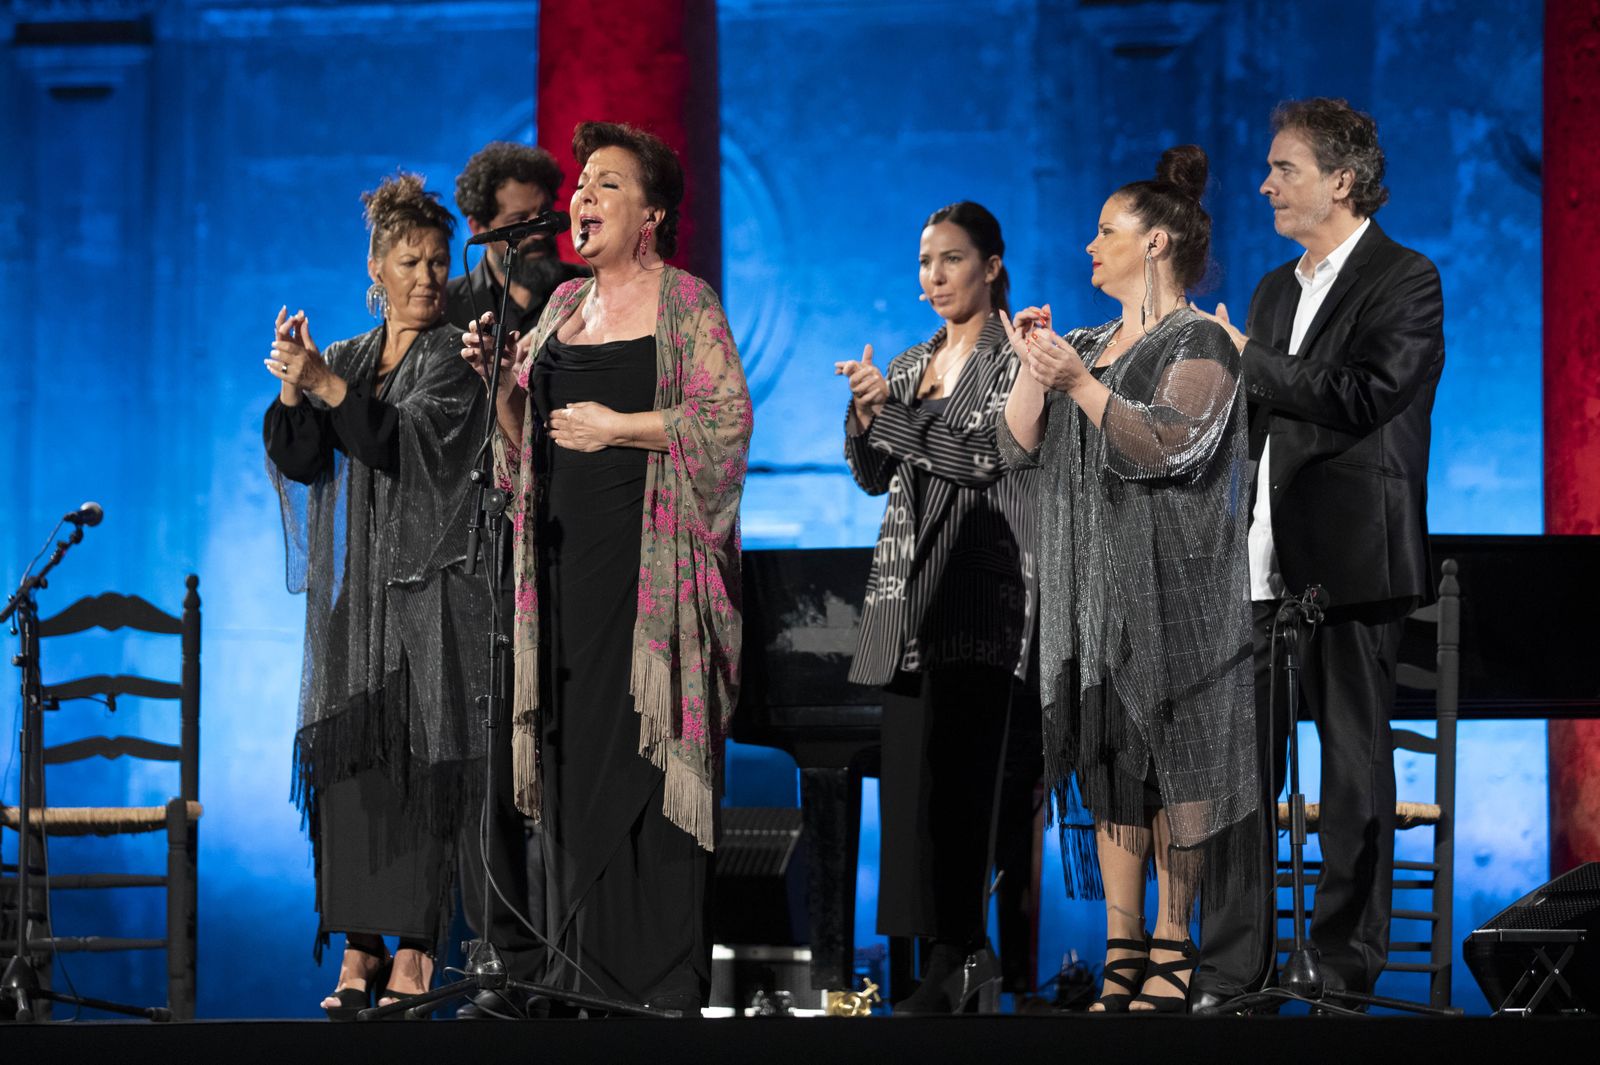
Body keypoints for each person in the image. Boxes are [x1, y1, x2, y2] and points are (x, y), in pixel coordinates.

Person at [462, 121, 751, 1013]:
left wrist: (617, 426)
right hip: (559, 575)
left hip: (649, 574)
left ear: (652, 215)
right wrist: (496, 395)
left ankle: (659, 984)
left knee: (648, 763)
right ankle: (576, 974)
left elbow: (725, 423)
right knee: (571, 764)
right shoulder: (555, 312)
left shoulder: (685, 302)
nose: (583, 198)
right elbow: (527, 455)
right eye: (582, 184)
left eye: (608, 185)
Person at [1190, 98, 1445, 1010]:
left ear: (1342, 178)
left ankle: (1342, 965)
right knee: (1240, 778)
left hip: (1351, 561)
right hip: (1261, 560)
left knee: (1350, 771)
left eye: (1284, 167)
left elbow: (1363, 393)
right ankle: (1233, 964)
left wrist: (1248, 361)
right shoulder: (1269, 290)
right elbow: (1255, 419)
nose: (1264, 183)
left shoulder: (1404, 278)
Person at [997, 146, 1255, 1013]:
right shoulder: (1089, 342)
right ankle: (1121, 943)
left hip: (1179, 597)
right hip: (1096, 601)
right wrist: (1037, 369)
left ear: (1156, 243)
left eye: (1107, 231)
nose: (1089, 245)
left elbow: (1165, 442)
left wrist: (1081, 385)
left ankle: (1174, 942)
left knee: (1174, 770)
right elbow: (1016, 447)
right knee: (1111, 766)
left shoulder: (1204, 340)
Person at [263, 173, 490, 1018]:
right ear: (376, 268)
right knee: (357, 770)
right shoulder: (353, 357)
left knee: (420, 767)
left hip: (433, 602)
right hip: (358, 605)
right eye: (411, 261)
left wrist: (324, 389)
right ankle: (360, 943)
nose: (429, 277)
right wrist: (295, 384)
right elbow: (300, 456)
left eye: (437, 260)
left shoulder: (456, 359)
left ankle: (419, 951)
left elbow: (403, 444)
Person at [834, 201, 1039, 1013]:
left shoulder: (1010, 357)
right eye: (925, 263)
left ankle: (964, 955)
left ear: (990, 265)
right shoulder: (919, 356)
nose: (935, 277)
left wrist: (895, 415)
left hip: (979, 592)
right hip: (906, 599)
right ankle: (942, 959)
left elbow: (980, 458)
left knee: (964, 791)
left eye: (951, 260)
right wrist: (864, 414)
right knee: (914, 795)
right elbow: (873, 475)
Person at [445, 141, 590, 335]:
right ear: (478, 228)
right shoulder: (445, 304)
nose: (539, 232)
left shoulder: (588, 288)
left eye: (544, 215)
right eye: (520, 220)